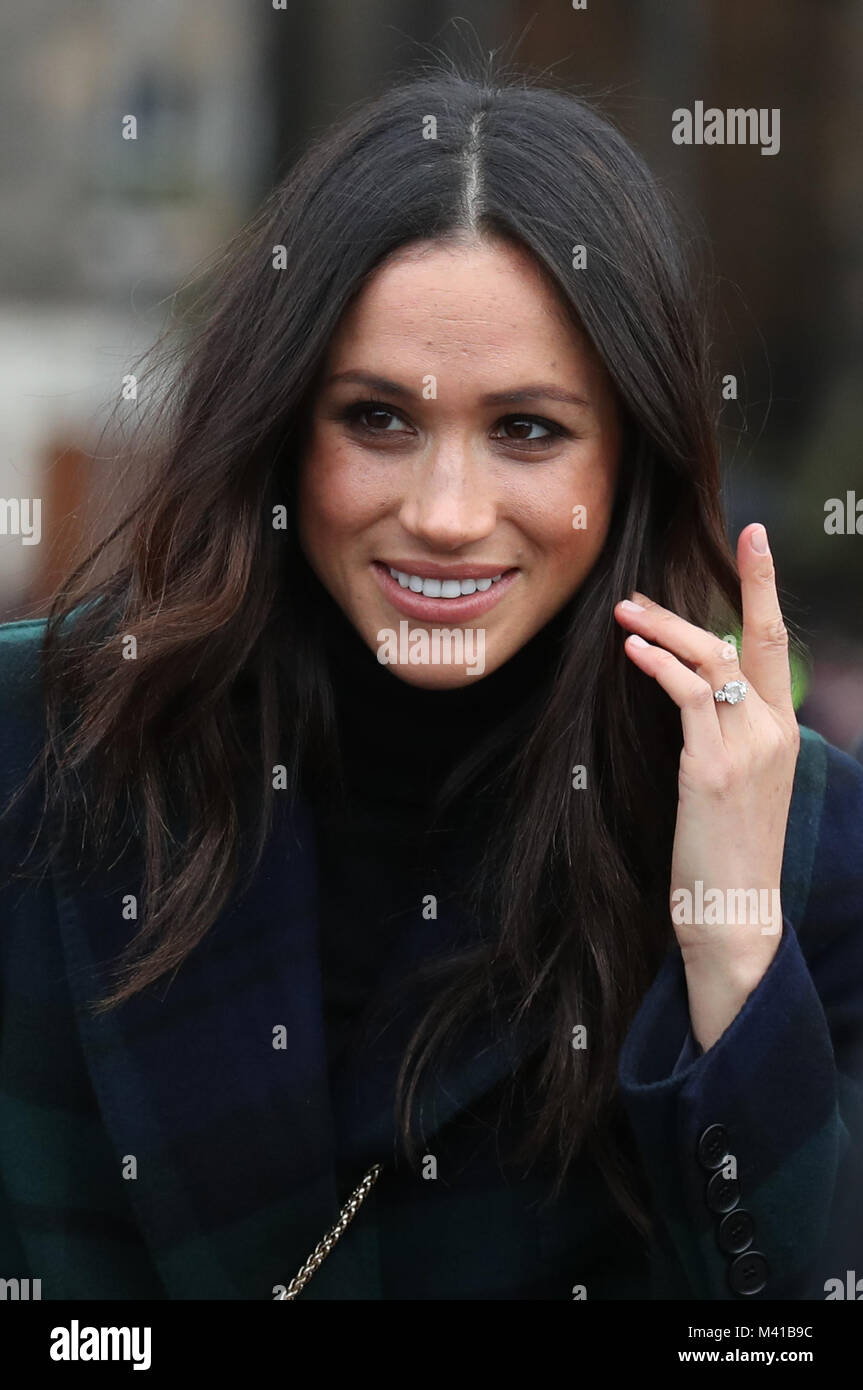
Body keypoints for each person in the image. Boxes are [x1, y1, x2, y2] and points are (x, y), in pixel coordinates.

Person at [1, 60, 861, 1302]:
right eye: (378, 419)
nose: (445, 515)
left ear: (629, 462)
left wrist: (728, 942)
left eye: (526, 429)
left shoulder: (797, 841)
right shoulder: (48, 739)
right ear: (283, 427)